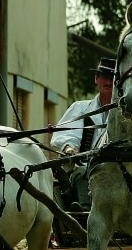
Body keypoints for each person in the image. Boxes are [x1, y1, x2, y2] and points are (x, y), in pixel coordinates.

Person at [49, 57, 115, 209]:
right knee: (83, 170)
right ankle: (83, 211)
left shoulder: (126, 114)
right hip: (85, 168)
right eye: (105, 77)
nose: (109, 82)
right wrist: (69, 148)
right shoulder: (80, 109)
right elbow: (65, 135)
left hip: (117, 169)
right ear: (96, 79)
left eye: (113, 78)